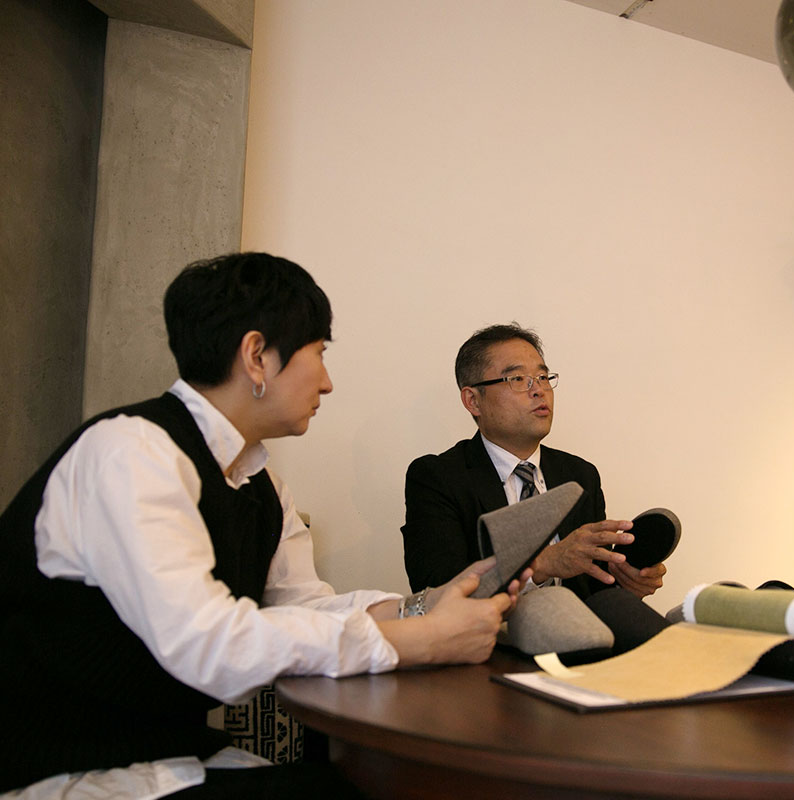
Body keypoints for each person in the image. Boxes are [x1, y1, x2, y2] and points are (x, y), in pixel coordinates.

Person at [0, 253, 525, 798]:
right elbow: (209, 645)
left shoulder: (259, 482)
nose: (326, 382)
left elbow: (301, 604)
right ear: (257, 357)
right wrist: (418, 641)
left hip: (172, 755)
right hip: (65, 770)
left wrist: (423, 606)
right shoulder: (131, 452)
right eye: (318, 354)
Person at [402, 323, 667, 602]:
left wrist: (625, 583)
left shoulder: (579, 475)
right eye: (518, 379)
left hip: (576, 628)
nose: (539, 389)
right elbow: (434, 589)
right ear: (473, 401)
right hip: (491, 629)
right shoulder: (438, 478)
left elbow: (593, 592)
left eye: (542, 377)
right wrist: (540, 565)